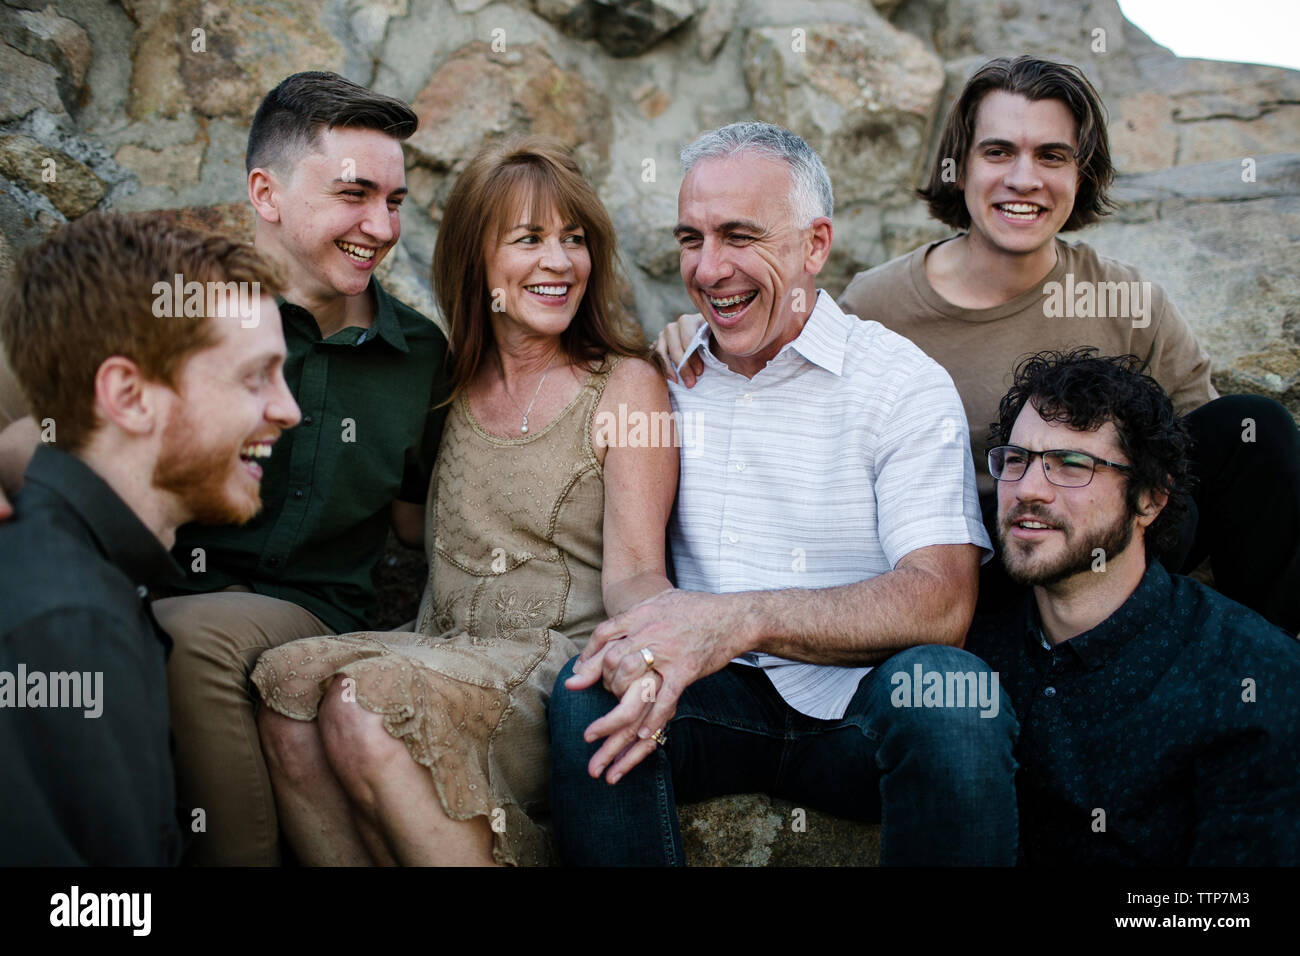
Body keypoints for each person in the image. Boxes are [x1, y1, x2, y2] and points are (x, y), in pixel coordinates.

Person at [661, 56, 1300, 635]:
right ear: (959, 166)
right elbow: (789, 357)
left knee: (1255, 427)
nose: (1024, 179)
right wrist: (711, 332)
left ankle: (1269, 667)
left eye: (1051, 156)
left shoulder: (1129, 302)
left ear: (1081, 173)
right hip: (977, 573)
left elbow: (1203, 467)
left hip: (1104, 554)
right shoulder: (879, 303)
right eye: (998, 152)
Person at [0, 71, 451, 865]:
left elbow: (422, 519)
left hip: (304, 606)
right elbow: (45, 389)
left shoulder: (419, 355)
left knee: (190, 634)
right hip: (158, 574)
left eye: (396, 201)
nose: (381, 227)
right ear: (265, 194)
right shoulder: (195, 306)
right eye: (354, 194)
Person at [548, 122, 1018, 867]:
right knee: (586, 690)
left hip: (860, 711)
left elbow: (942, 602)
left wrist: (738, 621)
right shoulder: (665, 377)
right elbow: (635, 568)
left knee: (950, 692)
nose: (708, 269)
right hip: (711, 701)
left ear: (815, 245)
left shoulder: (901, 382)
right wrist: (658, 645)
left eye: (739, 236)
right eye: (691, 239)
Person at [250, 137, 677, 866]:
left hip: (554, 670)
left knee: (362, 703)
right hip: (442, 648)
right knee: (285, 690)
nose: (559, 261)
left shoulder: (626, 385)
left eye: (575, 240)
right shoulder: (444, 387)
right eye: (529, 239)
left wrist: (654, 653)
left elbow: (637, 570)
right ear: (476, 263)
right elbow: (419, 520)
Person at [0, 213, 298, 864]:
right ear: (130, 396)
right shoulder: (65, 622)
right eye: (256, 376)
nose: (288, 409)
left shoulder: (83, 583)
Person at [966, 349, 1299, 865]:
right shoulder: (967, 654)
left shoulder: (1250, 677)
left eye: (1071, 465)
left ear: (1149, 501)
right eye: (1016, 460)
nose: (1028, 490)